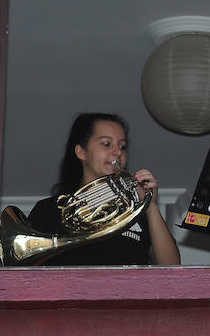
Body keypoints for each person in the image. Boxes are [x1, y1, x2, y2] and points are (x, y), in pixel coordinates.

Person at [25, 113, 181, 266]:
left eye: (122, 146)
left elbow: (171, 268)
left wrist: (151, 205)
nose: (118, 152)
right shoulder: (50, 210)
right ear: (81, 152)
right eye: (107, 144)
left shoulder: (136, 210)